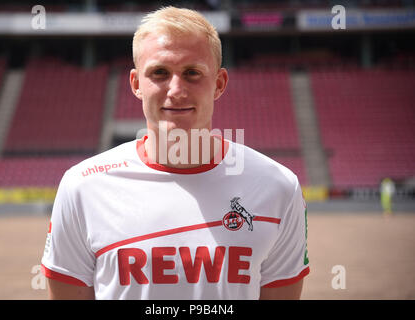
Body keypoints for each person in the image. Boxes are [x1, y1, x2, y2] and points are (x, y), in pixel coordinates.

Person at [41, 6, 309, 300]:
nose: (176, 90)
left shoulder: (278, 187)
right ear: (136, 84)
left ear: (218, 84)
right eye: (159, 72)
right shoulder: (83, 186)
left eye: (192, 73)